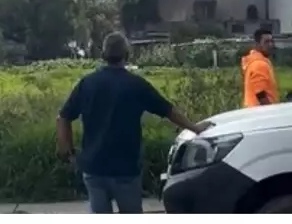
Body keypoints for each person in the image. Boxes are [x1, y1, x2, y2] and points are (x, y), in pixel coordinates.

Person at [56, 32, 207, 214]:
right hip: (125, 168)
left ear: (103, 55)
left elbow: (63, 117)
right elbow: (169, 111)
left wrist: (69, 152)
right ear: (127, 55)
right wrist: (196, 128)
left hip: (94, 167)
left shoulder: (87, 84)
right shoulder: (136, 85)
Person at [242, 28, 279, 107]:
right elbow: (260, 93)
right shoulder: (259, 64)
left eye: (271, 41)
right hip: (260, 112)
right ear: (257, 44)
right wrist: (271, 111)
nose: (270, 45)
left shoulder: (255, 61)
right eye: (266, 42)